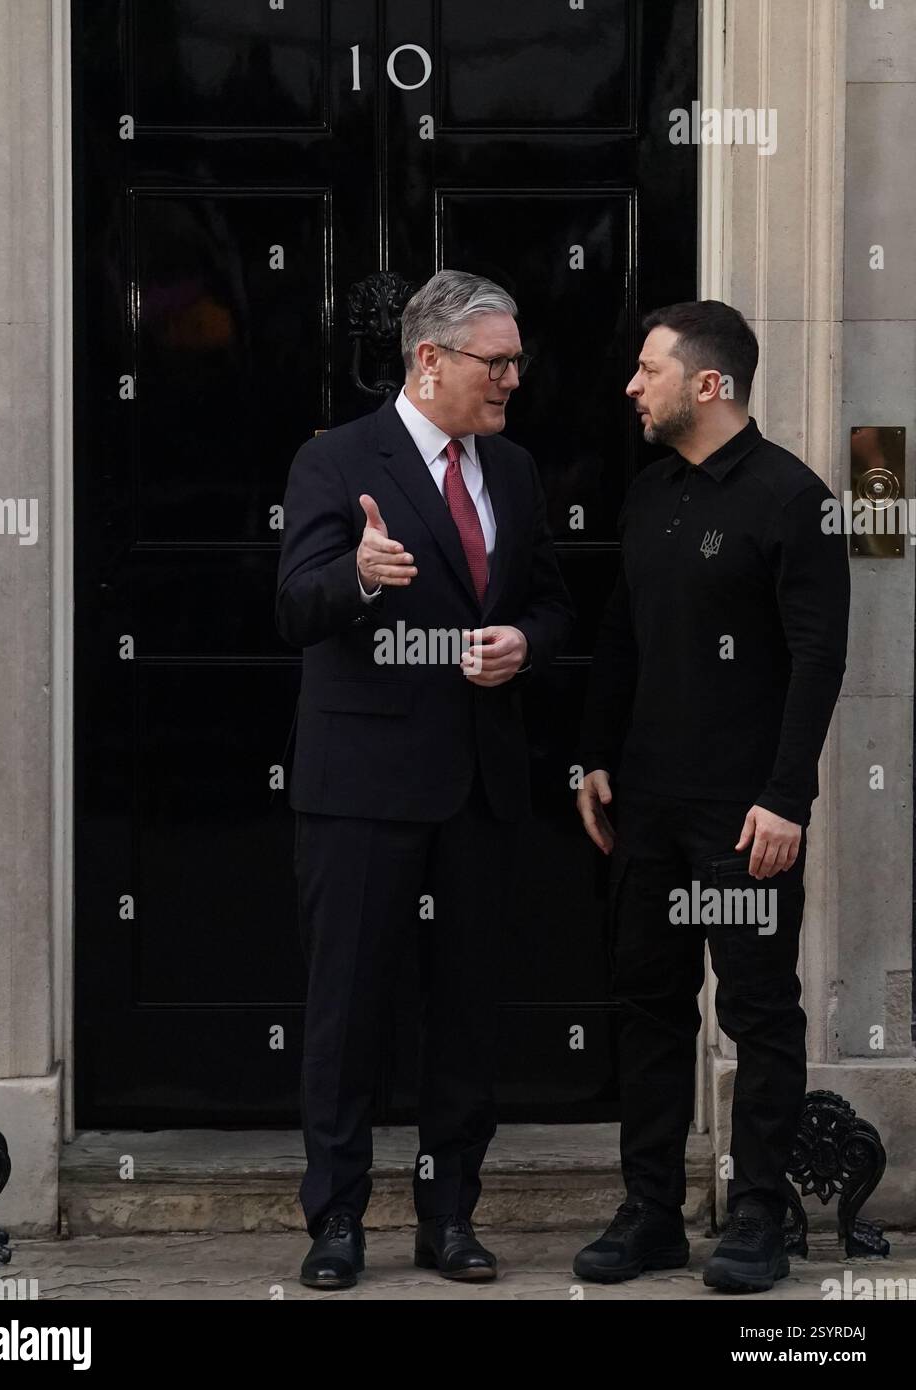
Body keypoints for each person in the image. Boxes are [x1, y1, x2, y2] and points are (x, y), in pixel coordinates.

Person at [277, 269, 574, 1289]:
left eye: (516, 361)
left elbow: (551, 602)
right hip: (362, 786)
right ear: (429, 360)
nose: (511, 379)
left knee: (465, 1015)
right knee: (346, 1010)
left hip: (479, 792)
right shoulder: (333, 460)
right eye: (496, 362)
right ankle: (337, 1220)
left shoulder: (519, 471)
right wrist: (359, 575)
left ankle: (449, 1218)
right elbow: (295, 607)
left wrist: (521, 644)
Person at [573, 300, 850, 1293]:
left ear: (706, 385)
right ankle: (649, 1212)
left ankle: (758, 1219)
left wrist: (786, 797)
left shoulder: (795, 499)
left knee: (758, 1010)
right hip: (644, 804)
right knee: (647, 1005)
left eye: (647, 369)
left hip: (743, 818)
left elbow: (819, 658)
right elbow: (619, 632)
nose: (630, 386)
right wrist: (593, 754)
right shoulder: (650, 495)